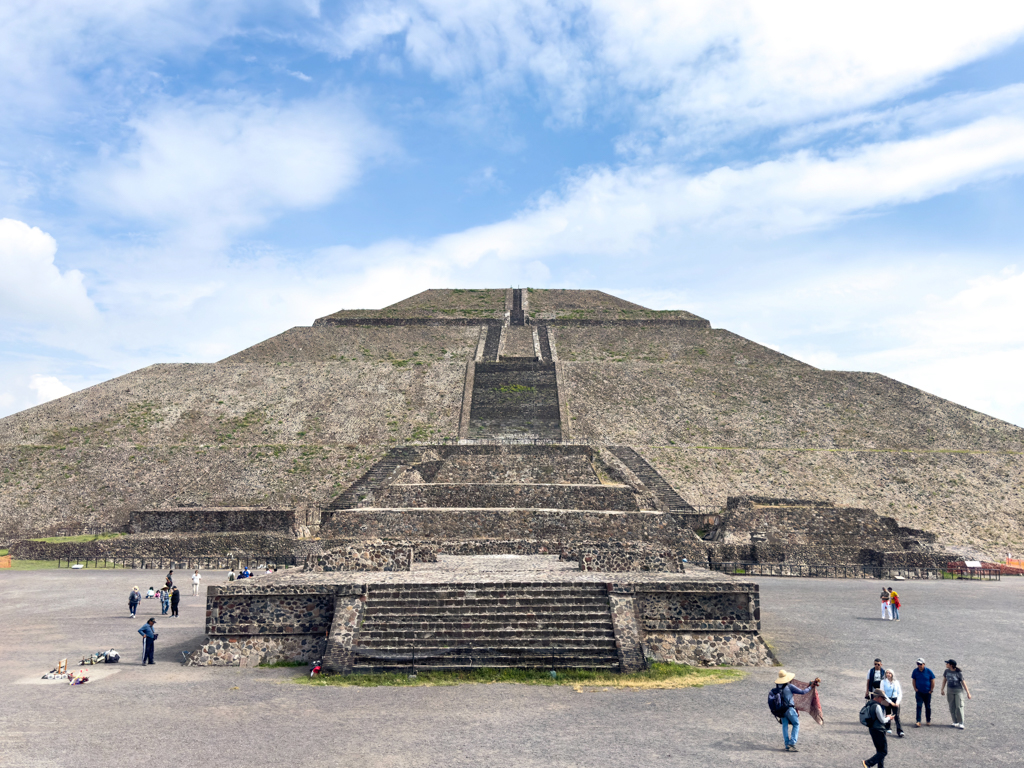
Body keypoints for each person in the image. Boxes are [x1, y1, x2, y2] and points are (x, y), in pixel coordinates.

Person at [771, 669, 820, 752]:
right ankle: (792, 743)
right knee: (796, 724)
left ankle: (787, 744)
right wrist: (810, 687)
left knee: (785, 726)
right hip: (789, 709)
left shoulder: (778, 687)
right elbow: (802, 692)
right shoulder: (789, 686)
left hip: (781, 710)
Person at [863, 689, 894, 768]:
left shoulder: (869, 703)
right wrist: (889, 718)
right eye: (883, 698)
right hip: (879, 730)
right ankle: (868, 763)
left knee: (879, 751)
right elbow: (882, 720)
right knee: (883, 751)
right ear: (879, 697)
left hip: (872, 729)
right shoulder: (877, 706)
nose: (883, 700)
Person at [940, 659, 972, 729]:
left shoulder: (958, 672)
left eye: (947, 663)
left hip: (958, 691)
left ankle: (961, 722)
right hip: (950, 690)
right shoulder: (946, 671)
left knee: (959, 706)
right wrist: (942, 689)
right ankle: (955, 721)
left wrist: (968, 693)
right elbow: (944, 680)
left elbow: (963, 683)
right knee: (952, 706)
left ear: (951, 665)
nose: (946, 664)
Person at [911, 658, 935, 726]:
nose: (919, 665)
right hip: (919, 692)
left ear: (924, 664)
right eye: (918, 664)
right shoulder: (915, 671)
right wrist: (915, 688)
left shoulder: (929, 671)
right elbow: (914, 679)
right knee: (919, 705)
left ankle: (928, 720)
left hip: (927, 692)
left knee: (927, 706)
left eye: (920, 664)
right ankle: (918, 721)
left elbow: (932, 680)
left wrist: (931, 690)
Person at [882, 669, 905, 737]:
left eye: (890, 673)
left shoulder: (896, 682)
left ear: (892, 674)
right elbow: (883, 693)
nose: (888, 674)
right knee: (888, 714)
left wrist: (897, 702)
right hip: (887, 700)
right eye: (887, 673)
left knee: (896, 716)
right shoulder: (883, 682)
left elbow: (899, 693)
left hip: (895, 699)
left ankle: (900, 731)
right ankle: (888, 727)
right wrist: (890, 702)